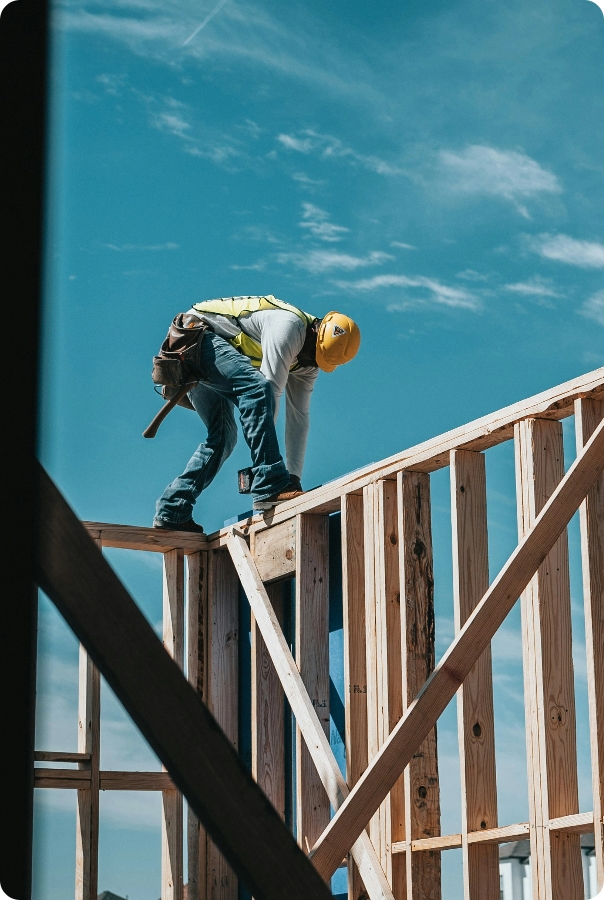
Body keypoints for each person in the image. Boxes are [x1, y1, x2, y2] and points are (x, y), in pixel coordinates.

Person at [153, 295, 360, 533]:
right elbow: (268, 392)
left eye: (317, 361)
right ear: (315, 332)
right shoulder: (289, 327)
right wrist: (270, 477)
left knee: (223, 438)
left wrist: (293, 478)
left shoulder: (308, 363)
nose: (309, 363)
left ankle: (173, 509)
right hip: (194, 338)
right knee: (257, 388)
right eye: (312, 355)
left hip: (209, 353)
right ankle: (269, 482)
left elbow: (299, 418)